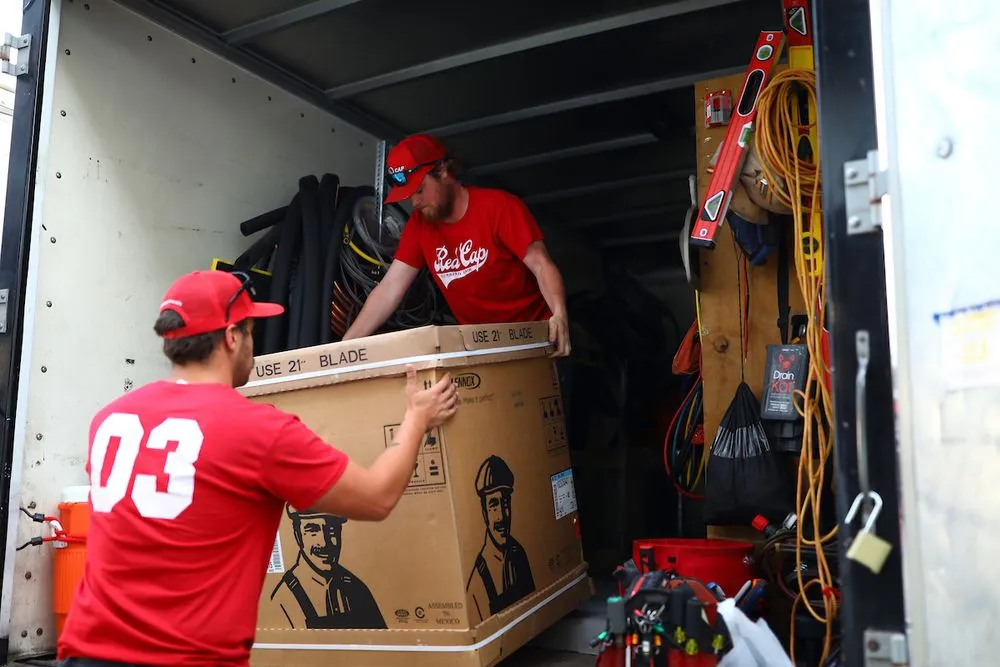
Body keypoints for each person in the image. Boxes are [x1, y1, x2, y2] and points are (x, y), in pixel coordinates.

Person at [57, 269, 459, 667]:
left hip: (86, 654)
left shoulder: (108, 419)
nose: (254, 342)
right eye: (251, 330)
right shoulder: (257, 430)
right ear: (232, 337)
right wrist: (416, 419)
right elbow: (377, 497)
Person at [338, 133, 572, 358]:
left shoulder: (500, 207)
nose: (415, 202)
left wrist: (560, 315)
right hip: (482, 348)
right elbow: (390, 288)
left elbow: (541, 264)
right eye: (409, 195)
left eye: (419, 190)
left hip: (537, 340)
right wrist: (342, 350)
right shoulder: (419, 226)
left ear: (442, 171)